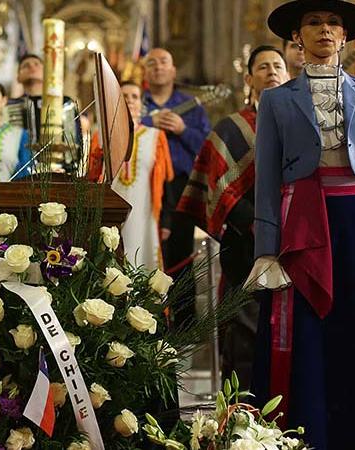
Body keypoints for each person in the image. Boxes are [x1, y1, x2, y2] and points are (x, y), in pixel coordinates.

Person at [246, 1, 355, 449]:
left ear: (345, 36)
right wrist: (267, 249)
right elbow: (266, 180)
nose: (324, 29)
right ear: (297, 37)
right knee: (306, 333)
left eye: (333, 23)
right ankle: (308, 432)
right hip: (301, 224)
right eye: (314, 22)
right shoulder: (276, 100)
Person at [179, 45, 289, 387]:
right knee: (245, 332)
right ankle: (241, 415)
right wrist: (256, 223)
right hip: (245, 243)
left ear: (288, 75)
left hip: (295, 238)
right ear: (249, 78)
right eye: (263, 67)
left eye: (278, 66)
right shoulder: (230, 128)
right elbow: (216, 187)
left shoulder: (304, 123)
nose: (271, 72)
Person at [87, 81, 173, 271]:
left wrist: (166, 221)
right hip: (109, 215)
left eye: (134, 96)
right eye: (123, 96)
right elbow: (92, 178)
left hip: (144, 214)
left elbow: (166, 184)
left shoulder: (156, 137)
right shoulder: (100, 137)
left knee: (142, 262)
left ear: (141, 104)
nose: (129, 100)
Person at [140, 47, 211, 274]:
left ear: (173, 71)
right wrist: (150, 123)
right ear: (144, 73)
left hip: (181, 187)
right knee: (144, 250)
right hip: (145, 188)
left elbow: (207, 147)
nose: (158, 66)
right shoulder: (136, 104)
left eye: (163, 62)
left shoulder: (192, 107)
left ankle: (183, 309)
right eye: (152, 63)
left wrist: (182, 129)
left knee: (180, 257)